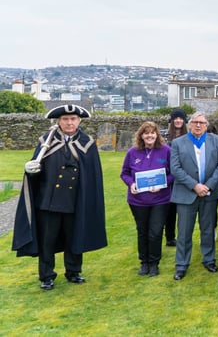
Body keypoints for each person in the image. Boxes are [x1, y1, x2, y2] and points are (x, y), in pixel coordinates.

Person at [13, 104, 107, 291]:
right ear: (59, 121)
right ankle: (47, 276)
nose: (69, 122)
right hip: (49, 202)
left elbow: (92, 177)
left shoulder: (87, 143)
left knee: (74, 237)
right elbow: (36, 171)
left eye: (73, 119)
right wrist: (30, 171)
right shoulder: (45, 142)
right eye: (65, 119)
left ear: (79, 121)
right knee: (47, 240)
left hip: (75, 201)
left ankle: (73, 271)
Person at [170, 112, 218, 280]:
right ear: (190, 124)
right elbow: (175, 168)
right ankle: (181, 264)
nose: (198, 125)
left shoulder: (216, 140)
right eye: (195, 122)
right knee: (184, 232)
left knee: (208, 229)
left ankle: (209, 260)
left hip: (209, 193)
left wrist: (207, 185)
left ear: (206, 124)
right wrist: (195, 186)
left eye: (202, 122)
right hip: (187, 193)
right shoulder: (178, 143)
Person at [120, 121, 173, 276]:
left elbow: (174, 173)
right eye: (146, 133)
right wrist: (131, 184)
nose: (149, 135)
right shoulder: (132, 152)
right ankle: (144, 262)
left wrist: (163, 184)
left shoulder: (166, 151)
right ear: (141, 135)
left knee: (155, 232)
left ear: (157, 134)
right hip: (138, 200)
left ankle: (154, 263)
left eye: (152, 132)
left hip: (160, 199)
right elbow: (124, 173)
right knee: (142, 231)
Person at [164, 108, 188, 247]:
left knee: (183, 209)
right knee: (170, 209)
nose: (178, 121)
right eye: (175, 118)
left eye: (180, 118)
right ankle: (170, 237)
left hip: (184, 176)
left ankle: (183, 236)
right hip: (169, 176)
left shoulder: (189, 137)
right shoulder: (165, 137)